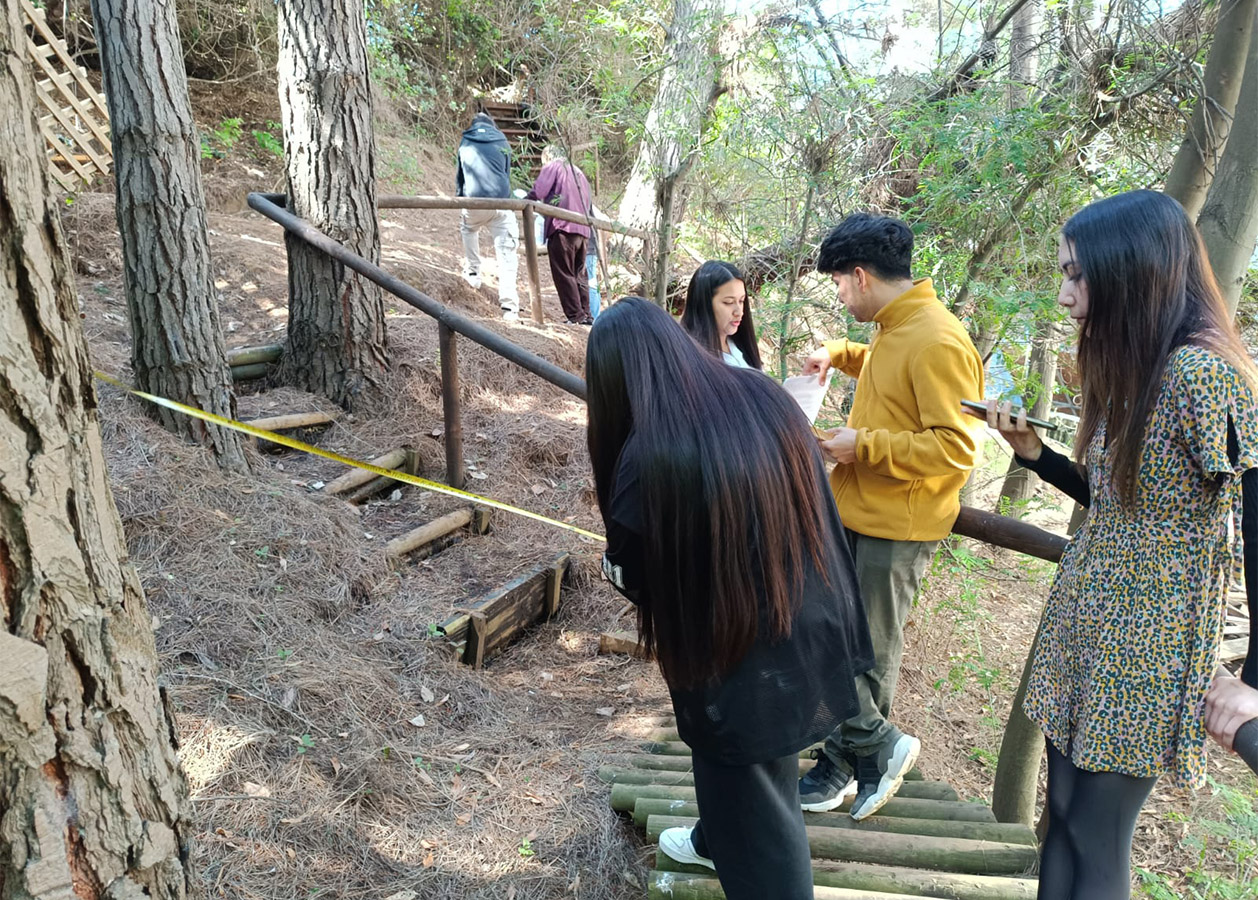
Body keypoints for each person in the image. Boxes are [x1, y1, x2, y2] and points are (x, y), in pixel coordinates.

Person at [969, 190, 1257, 900]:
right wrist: (1035, 454)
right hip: (1088, 628)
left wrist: (1252, 682)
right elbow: (1123, 504)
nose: (1065, 296)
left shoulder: (1203, 374)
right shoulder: (1137, 372)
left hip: (1147, 650)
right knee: (1061, 820)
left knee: (1096, 839)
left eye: (1077, 275)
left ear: (1131, 270)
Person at [588, 297, 874, 900]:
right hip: (815, 619)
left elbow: (634, 571)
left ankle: (743, 855)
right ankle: (716, 838)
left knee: (763, 823)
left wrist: (618, 566)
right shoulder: (763, 395)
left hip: (740, 663)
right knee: (755, 781)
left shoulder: (649, 455)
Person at [797, 213, 984, 820]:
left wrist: (864, 445)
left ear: (859, 276)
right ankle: (849, 760)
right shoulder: (893, 325)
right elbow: (890, 372)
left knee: (868, 652)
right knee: (831, 638)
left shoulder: (939, 340)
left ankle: (859, 758)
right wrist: (838, 352)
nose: (840, 295)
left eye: (839, 287)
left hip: (896, 526)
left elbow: (956, 449)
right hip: (857, 508)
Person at [455, 112, 521, 321]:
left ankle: (473, 273)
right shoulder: (502, 141)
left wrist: (461, 198)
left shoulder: (466, 142)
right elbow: (506, 173)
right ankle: (510, 307)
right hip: (501, 203)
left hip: (473, 201)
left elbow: (461, 176)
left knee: (468, 228)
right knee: (507, 254)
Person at [526, 146, 595, 325]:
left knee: (564, 273)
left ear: (547, 157)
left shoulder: (554, 166)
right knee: (579, 273)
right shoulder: (578, 172)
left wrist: (525, 200)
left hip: (563, 227)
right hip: (583, 230)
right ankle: (586, 314)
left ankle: (576, 316)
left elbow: (539, 191)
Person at [679, 261, 762, 369]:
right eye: (728, 302)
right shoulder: (690, 358)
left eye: (741, 301)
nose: (739, 312)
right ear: (704, 304)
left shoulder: (740, 345)